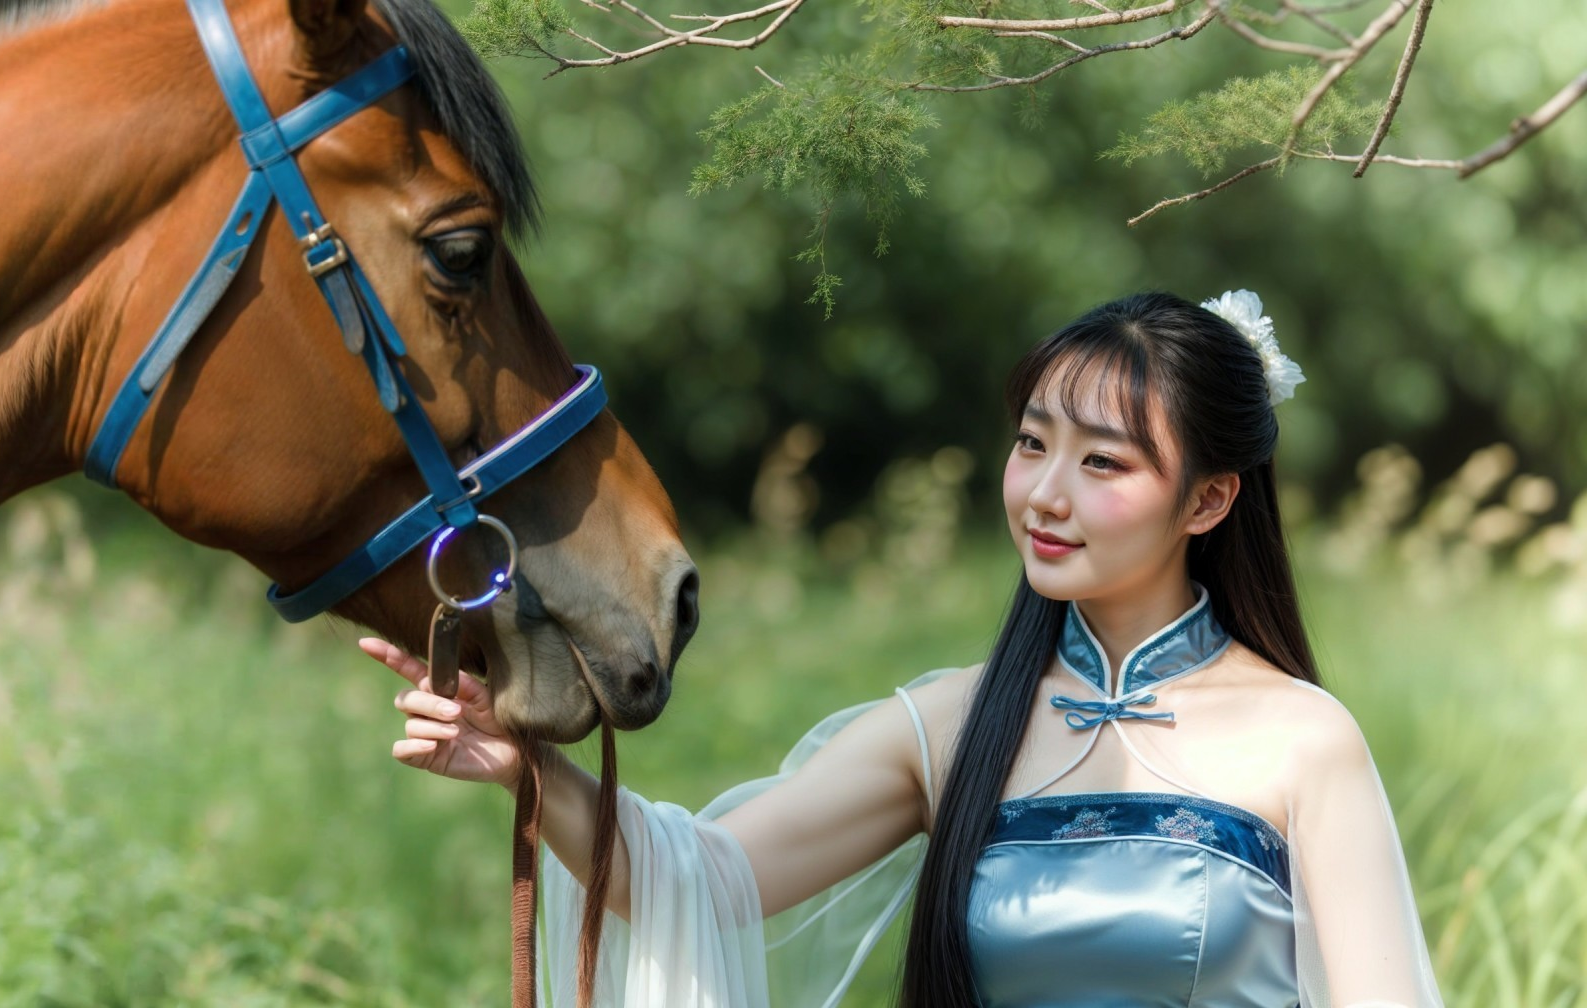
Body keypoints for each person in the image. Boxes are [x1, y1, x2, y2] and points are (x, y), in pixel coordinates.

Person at [364, 290, 1445, 1007]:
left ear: (1208, 499)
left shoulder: (1302, 743)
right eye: (1031, 445)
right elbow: (703, 875)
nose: (1046, 496)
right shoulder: (956, 723)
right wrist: (528, 772)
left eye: (1103, 464)